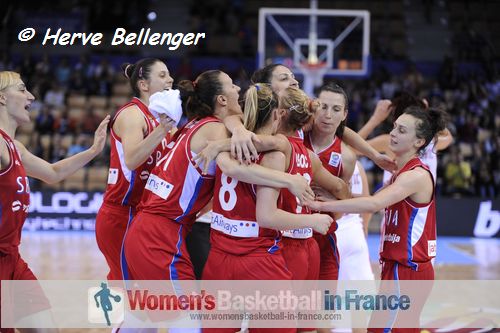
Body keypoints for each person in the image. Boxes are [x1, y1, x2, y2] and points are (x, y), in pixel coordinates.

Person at [201, 84, 334, 333]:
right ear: (277, 115)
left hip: (219, 255)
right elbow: (266, 215)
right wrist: (313, 220)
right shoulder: (275, 154)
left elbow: (232, 164)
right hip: (257, 258)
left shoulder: (225, 143)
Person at [307, 106, 449, 333]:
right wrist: (335, 196)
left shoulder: (416, 175)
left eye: (402, 130)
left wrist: (322, 205)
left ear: (419, 142)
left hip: (408, 270)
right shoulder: (400, 174)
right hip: (398, 268)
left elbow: (373, 204)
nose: (393, 133)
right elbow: (372, 198)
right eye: (394, 127)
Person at [0, 70, 109, 333]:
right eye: (23, 89)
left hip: (13, 259)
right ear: (2, 99)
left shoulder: (14, 146)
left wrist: (93, 150)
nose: (32, 96)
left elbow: (53, 173)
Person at [95, 58, 177, 281]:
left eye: (169, 74)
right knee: (128, 285)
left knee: (144, 286)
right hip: (122, 213)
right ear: (144, 85)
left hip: (145, 214)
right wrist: (163, 130)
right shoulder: (132, 114)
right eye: (162, 75)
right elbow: (132, 160)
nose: (170, 79)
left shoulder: (162, 117)